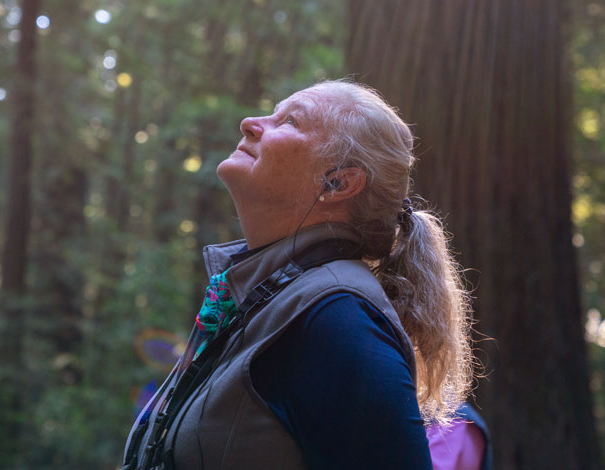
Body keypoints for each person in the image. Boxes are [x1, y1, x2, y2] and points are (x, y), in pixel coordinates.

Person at [123, 80, 473, 469]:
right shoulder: (270, 296)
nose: (250, 123)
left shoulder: (337, 319)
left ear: (338, 182)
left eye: (289, 121)